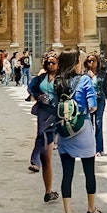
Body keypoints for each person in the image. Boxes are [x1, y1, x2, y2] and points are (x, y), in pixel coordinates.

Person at [53, 49, 100, 213]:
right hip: (83, 130)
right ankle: (91, 209)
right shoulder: (85, 79)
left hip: (65, 132)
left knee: (67, 175)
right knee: (89, 172)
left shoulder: (58, 82)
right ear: (75, 63)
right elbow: (93, 106)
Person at [27, 51, 60, 203]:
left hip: (56, 115)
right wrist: (37, 96)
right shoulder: (41, 78)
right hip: (43, 113)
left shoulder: (62, 80)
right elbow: (31, 87)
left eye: (53, 63)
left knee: (44, 143)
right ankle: (48, 190)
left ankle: (36, 162)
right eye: (48, 63)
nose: (50, 65)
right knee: (45, 152)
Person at [84, 52, 107, 156]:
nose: (91, 63)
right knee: (89, 125)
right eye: (89, 61)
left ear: (97, 62)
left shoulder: (103, 74)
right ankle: (90, 147)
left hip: (100, 100)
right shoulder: (84, 75)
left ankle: (99, 149)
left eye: (93, 61)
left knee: (98, 123)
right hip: (88, 102)